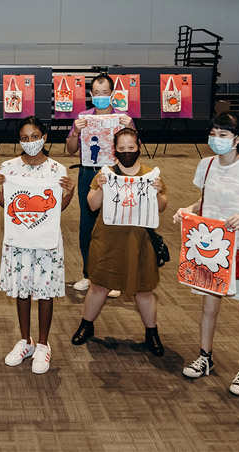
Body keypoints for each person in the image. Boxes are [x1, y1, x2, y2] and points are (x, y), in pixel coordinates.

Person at [175, 112, 239, 396]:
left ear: (238, 139)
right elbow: (204, 200)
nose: (216, 140)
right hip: (211, 251)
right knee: (209, 306)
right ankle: (205, 356)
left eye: (223, 135)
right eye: (214, 133)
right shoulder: (206, 165)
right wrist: (189, 210)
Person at [70, 128, 167, 356]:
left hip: (139, 241)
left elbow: (161, 207)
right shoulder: (105, 174)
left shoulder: (151, 175)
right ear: (114, 150)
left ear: (139, 147)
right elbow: (92, 205)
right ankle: (87, 325)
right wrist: (102, 186)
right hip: (108, 240)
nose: (126, 153)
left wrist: (159, 192)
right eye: (121, 149)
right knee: (99, 285)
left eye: (130, 148)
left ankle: (151, 332)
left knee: (144, 289)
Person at [0, 117, 75, 374]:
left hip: (46, 241)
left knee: (45, 291)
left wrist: (69, 193)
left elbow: (57, 209)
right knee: (23, 290)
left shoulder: (57, 170)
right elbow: (9, 205)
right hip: (19, 240)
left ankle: (43, 344)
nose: (30, 142)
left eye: (35, 136)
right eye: (24, 138)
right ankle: (25, 340)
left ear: (45, 137)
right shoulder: (9, 168)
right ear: (19, 141)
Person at [65, 74, 134, 298]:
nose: (101, 97)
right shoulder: (83, 117)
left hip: (116, 174)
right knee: (87, 225)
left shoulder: (123, 119)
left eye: (106, 93)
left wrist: (130, 126)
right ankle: (88, 273)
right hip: (88, 174)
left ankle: (112, 278)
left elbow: (135, 149)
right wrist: (75, 131)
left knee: (114, 225)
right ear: (91, 95)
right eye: (97, 93)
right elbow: (70, 149)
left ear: (113, 94)